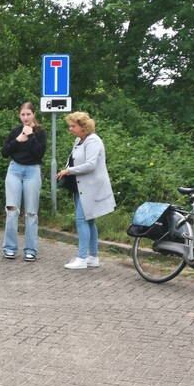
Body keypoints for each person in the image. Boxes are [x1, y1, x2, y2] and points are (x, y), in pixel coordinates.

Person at [56, 111, 115, 270]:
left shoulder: (93, 141)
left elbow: (90, 165)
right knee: (89, 220)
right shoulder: (79, 140)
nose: (70, 129)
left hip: (91, 188)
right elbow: (73, 159)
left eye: (73, 126)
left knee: (81, 220)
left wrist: (69, 171)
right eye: (70, 126)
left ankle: (81, 258)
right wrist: (65, 170)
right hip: (80, 187)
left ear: (83, 127)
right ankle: (93, 257)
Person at [1, 101, 47, 261]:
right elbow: (4, 152)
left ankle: (30, 250)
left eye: (28, 114)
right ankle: (9, 248)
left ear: (34, 115)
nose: (25, 117)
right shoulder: (15, 131)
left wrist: (31, 135)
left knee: (31, 213)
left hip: (32, 171)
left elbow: (39, 154)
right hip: (14, 170)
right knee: (12, 210)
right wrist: (18, 139)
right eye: (23, 114)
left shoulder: (40, 133)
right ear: (19, 115)